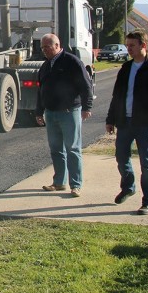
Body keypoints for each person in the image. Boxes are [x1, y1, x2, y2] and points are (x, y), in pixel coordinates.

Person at [105, 31, 148, 215]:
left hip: (145, 123)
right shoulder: (126, 68)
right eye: (127, 45)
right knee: (121, 158)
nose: (129, 49)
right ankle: (129, 186)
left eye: (132, 45)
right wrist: (110, 119)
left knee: (147, 163)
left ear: (143, 46)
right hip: (124, 122)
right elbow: (117, 96)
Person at [34, 33, 93, 197]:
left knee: (72, 148)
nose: (45, 50)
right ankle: (59, 182)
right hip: (51, 113)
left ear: (57, 45)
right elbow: (41, 90)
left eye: (47, 47)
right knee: (56, 149)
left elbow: (86, 85)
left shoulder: (72, 61)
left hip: (69, 112)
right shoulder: (45, 66)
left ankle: (76, 184)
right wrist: (39, 111)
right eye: (43, 47)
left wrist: (87, 107)